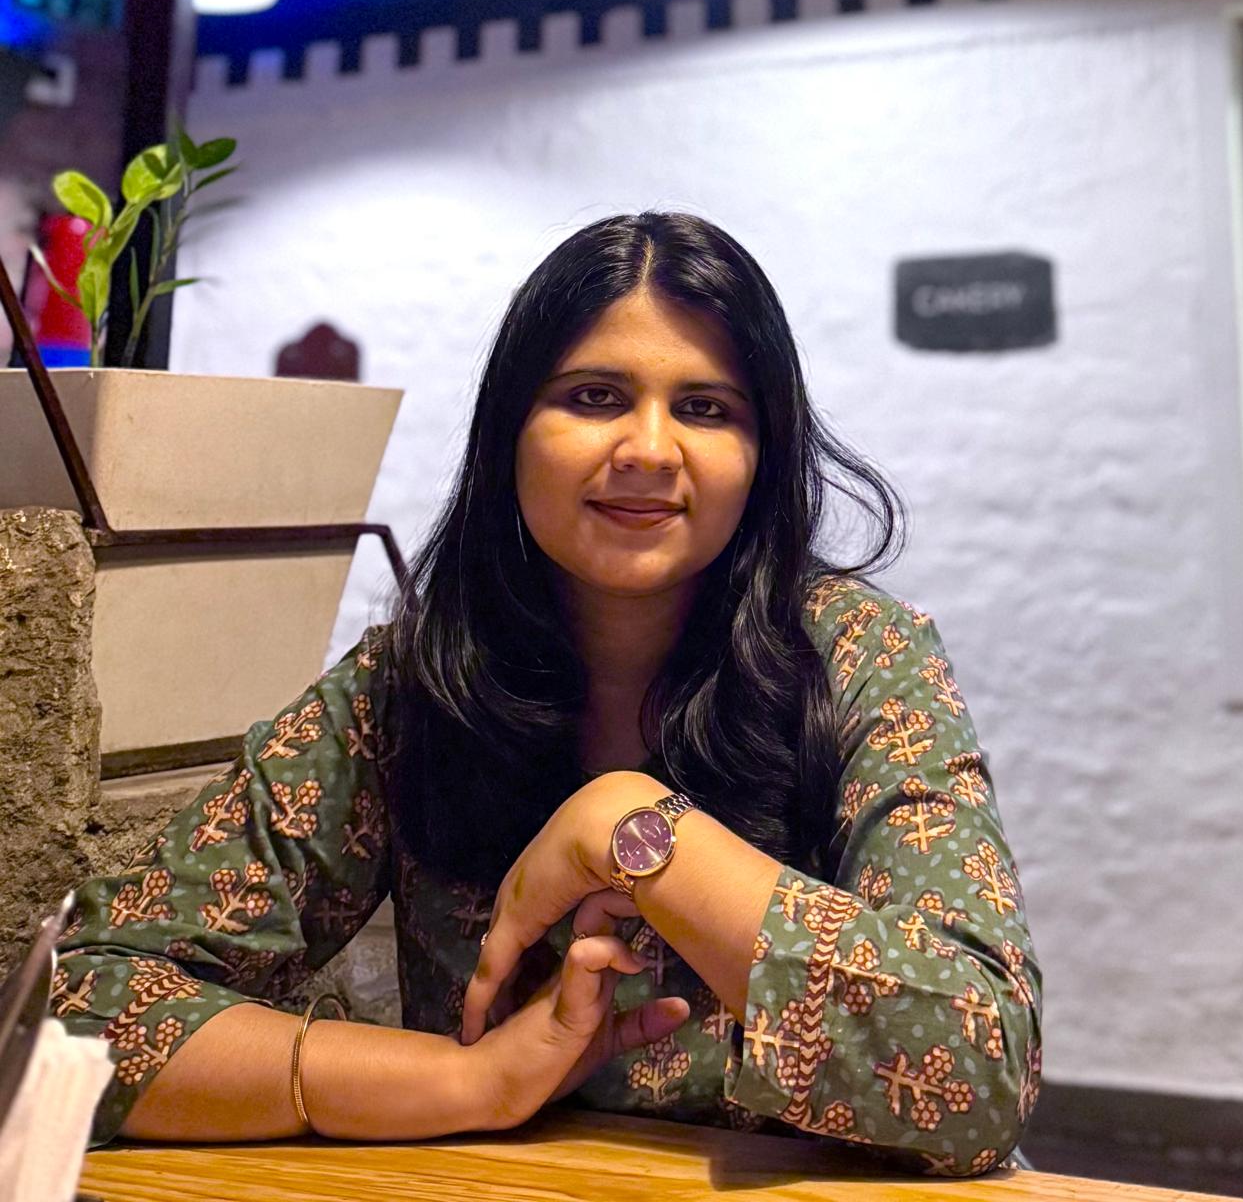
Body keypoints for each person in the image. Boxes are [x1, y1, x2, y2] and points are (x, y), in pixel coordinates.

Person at [52, 211, 1041, 1173]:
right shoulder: (415, 684)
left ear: (762, 456)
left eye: (705, 408)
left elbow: (981, 1068)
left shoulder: (856, 655)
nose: (649, 448)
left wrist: (635, 830)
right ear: (510, 433)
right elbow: (78, 1011)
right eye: (595, 396)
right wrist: (464, 1082)